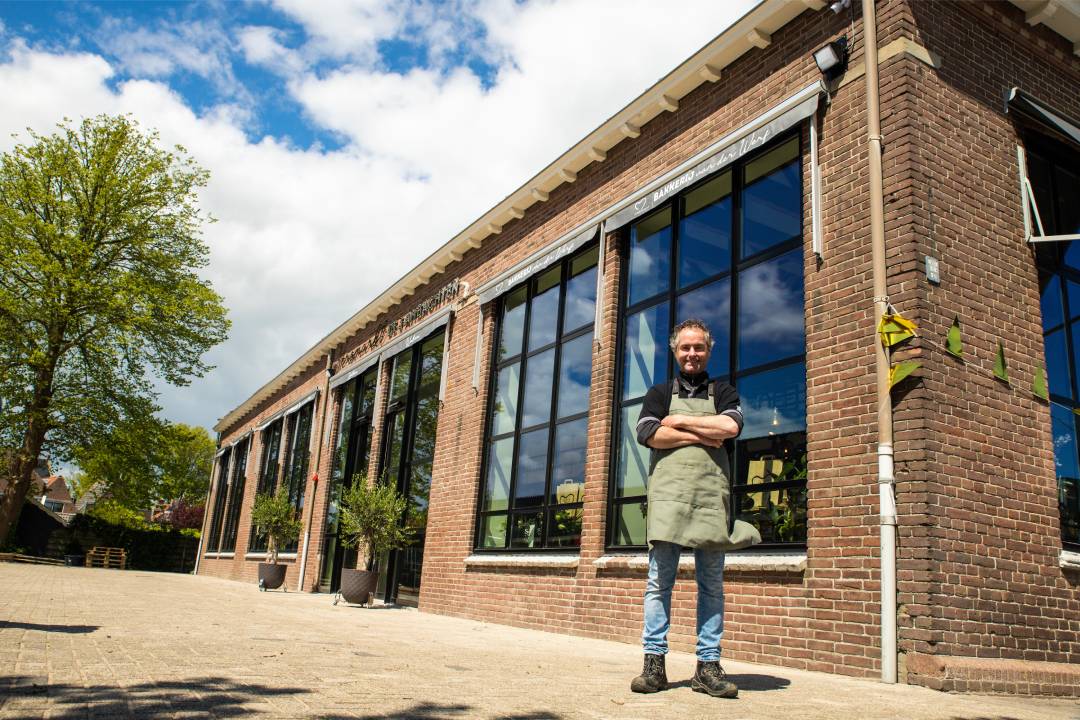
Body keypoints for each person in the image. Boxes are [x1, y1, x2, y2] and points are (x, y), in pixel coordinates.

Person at [630, 318, 761, 698]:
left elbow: (731, 428)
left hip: (709, 501)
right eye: (685, 347)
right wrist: (706, 430)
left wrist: (681, 420)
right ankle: (653, 668)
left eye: (698, 347)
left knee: (711, 587)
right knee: (659, 585)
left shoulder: (724, 391)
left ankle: (708, 667)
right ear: (675, 351)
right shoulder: (657, 392)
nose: (692, 354)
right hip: (667, 502)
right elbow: (648, 433)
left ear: (708, 350)